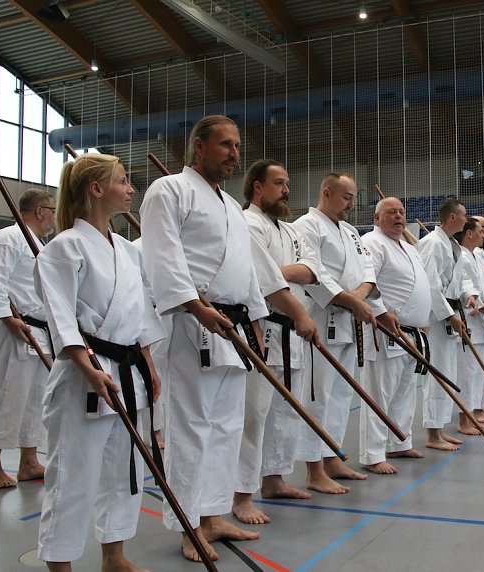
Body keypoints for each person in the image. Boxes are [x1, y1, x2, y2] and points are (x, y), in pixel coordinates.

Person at [140, 115, 268, 562]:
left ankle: (213, 514)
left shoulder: (231, 206)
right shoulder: (169, 190)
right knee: (190, 428)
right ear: (198, 147)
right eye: (225, 145)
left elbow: (245, 269)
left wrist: (255, 320)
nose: (235, 154)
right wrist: (195, 306)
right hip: (191, 324)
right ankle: (188, 522)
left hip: (230, 327)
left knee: (226, 426)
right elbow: (162, 257)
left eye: (237, 146)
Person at [34, 153, 163, 572]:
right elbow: (61, 320)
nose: (130, 189)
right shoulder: (64, 247)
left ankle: (114, 556)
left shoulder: (127, 251)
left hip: (127, 377)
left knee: (122, 471)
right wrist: (91, 371)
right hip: (83, 378)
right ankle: (60, 564)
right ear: (96, 190)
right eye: (123, 182)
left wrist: (150, 366)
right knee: (72, 475)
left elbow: (142, 315)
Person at [233, 159, 320, 524]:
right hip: (263, 326)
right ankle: (240, 495)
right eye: (279, 183)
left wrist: (272, 269)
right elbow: (255, 276)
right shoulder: (246, 223)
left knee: (285, 411)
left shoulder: (289, 231)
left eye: (287, 183)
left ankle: (274, 478)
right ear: (257, 187)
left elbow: (313, 269)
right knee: (254, 413)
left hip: (291, 331)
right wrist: (277, 277)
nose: (287, 190)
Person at [293, 172, 379, 494]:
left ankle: (332, 458)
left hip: (348, 320)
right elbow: (314, 274)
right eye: (347, 197)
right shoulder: (305, 226)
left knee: (341, 397)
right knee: (318, 395)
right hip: (321, 320)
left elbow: (367, 272)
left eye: (354, 197)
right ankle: (313, 469)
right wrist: (347, 300)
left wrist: (356, 299)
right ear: (327, 193)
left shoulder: (352, 231)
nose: (352, 204)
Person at [0, 189, 55, 489]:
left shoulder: (40, 245)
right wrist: (7, 318)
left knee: (35, 400)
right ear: (39, 211)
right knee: (11, 398)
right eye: (51, 209)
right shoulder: (6, 238)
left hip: (38, 331)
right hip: (15, 330)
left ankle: (29, 461)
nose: (53, 215)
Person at [359, 197, 428, 474]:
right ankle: (373, 453)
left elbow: (419, 286)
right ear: (377, 218)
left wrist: (423, 320)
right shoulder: (372, 243)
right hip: (386, 327)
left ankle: (399, 442)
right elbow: (365, 281)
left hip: (412, 330)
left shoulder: (410, 248)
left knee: (405, 391)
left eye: (401, 212)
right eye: (391, 212)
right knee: (379, 392)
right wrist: (379, 312)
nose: (398, 216)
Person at [416, 199, 472, 451]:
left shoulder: (452, 245)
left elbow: (456, 284)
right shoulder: (431, 243)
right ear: (452, 217)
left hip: (451, 313)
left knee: (447, 371)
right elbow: (430, 284)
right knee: (436, 372)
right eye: (463, 215)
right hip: (435, 315)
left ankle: (439, 428)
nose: (466, 220)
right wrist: (449, 315)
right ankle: (431, 434)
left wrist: (460, 308)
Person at [454, 218, 484, 432]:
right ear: (469, 233)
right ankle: (466, 416)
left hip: (481, 317)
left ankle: (477, 409)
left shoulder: (477, 256)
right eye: (481, 231)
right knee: (467, 372)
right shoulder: (461, 255)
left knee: (478, 370)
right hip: (469, 317)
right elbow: (467, 288)